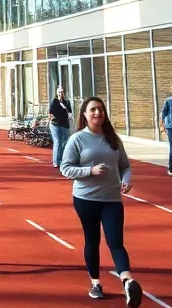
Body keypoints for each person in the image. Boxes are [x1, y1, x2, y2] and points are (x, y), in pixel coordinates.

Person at [60, 97, 143, 306]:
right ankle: (96, 282)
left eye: (101, 110)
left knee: (116, 242)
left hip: (112, 198)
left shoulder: (112, 138)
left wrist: (126, 180)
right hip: (85, 198)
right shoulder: (77, 139)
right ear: (85, 115)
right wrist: (90, 170)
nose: (98, 113)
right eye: (93, 110)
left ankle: (127, 280)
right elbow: (65, 168)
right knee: (92, 240)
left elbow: (125, 165)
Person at [49, 84, 72, 168]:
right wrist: (53, 118)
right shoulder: (54, 102)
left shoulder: (66, 102)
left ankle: (63, 160)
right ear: (56, 93)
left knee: (64, 143)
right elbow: (50, 113)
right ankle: (56, 161)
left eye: (61, 92)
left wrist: (68, 114)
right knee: (57, 142)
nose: (60, 94)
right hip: (55, 125)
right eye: (59, 92)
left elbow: (69, 112)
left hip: (65, 124)